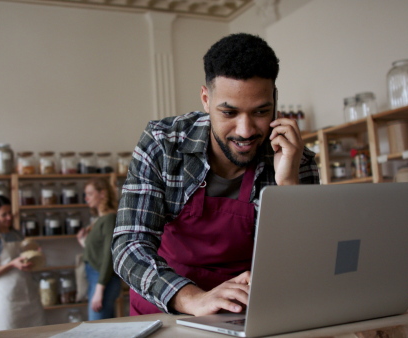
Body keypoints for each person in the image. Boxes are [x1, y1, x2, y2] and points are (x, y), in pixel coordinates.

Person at [112, 33, 320, 317]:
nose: (245, 130)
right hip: (167, 310)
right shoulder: (163, 143)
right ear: (206, 99)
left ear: (275, 100)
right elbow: (129, 246)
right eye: (229, 112)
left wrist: (289, 186)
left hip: (246, 312)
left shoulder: (296, 158)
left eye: (261, 111)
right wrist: (194, 298)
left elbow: (305, 265)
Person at [0, 195, 45, 330]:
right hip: (7, 302)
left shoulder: (17, 235)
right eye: (4, 215)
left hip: (29, 297)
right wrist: (11, 264)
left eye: (10, 213)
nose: (9, 217)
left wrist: (33, 254)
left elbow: (23, 257)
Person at [77, 178, 122, 320]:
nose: (86, 198)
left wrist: (99, 289)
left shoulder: (109, 219)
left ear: (102, 194)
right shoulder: (100, 219)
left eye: (90, 193)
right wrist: (83, 242)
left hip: (103, 280)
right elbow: (99, 251)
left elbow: (109, 254)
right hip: (97, 279)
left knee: (97, 329)